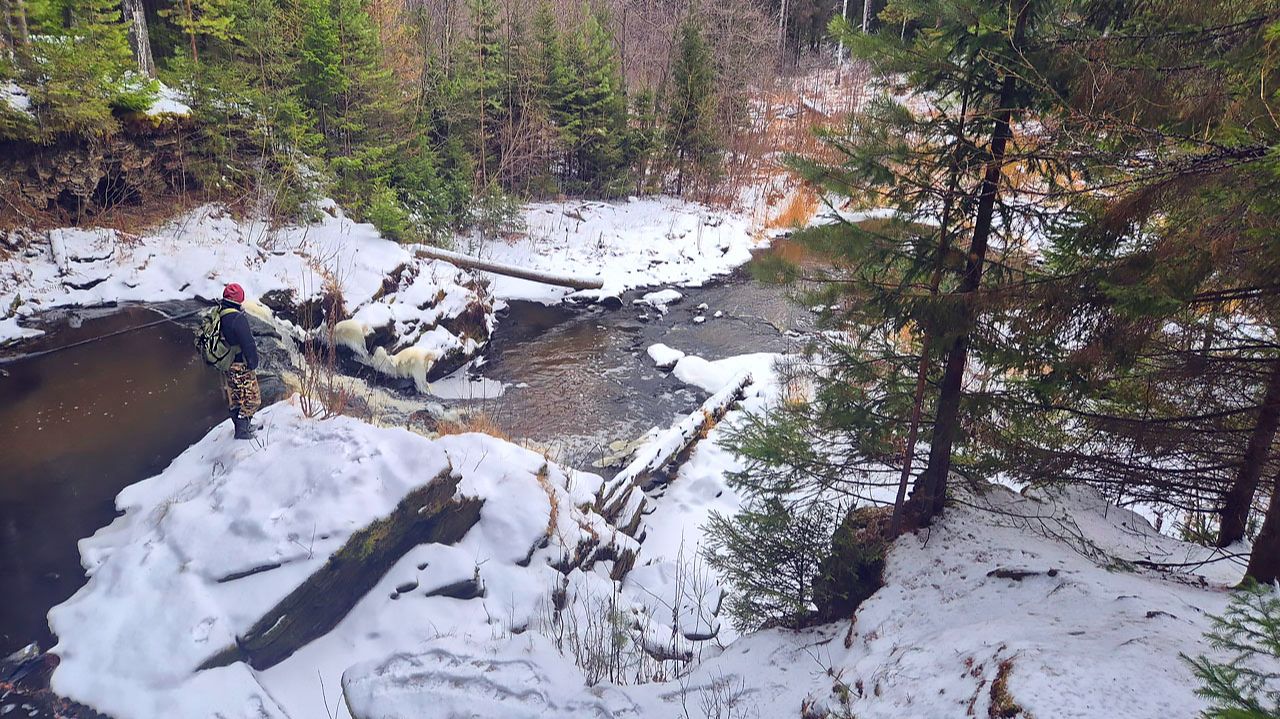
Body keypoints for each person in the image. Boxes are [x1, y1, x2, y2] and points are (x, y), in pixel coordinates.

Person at [217, 283, 261, 440]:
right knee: (252, 399)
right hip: (240, 365)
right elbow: (248, 343)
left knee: (236, 398)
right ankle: (242, 430)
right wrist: (253, 362)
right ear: (239, 298)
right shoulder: (237, 318)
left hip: (227, 363)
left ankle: (241, 426)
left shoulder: (220, 314)